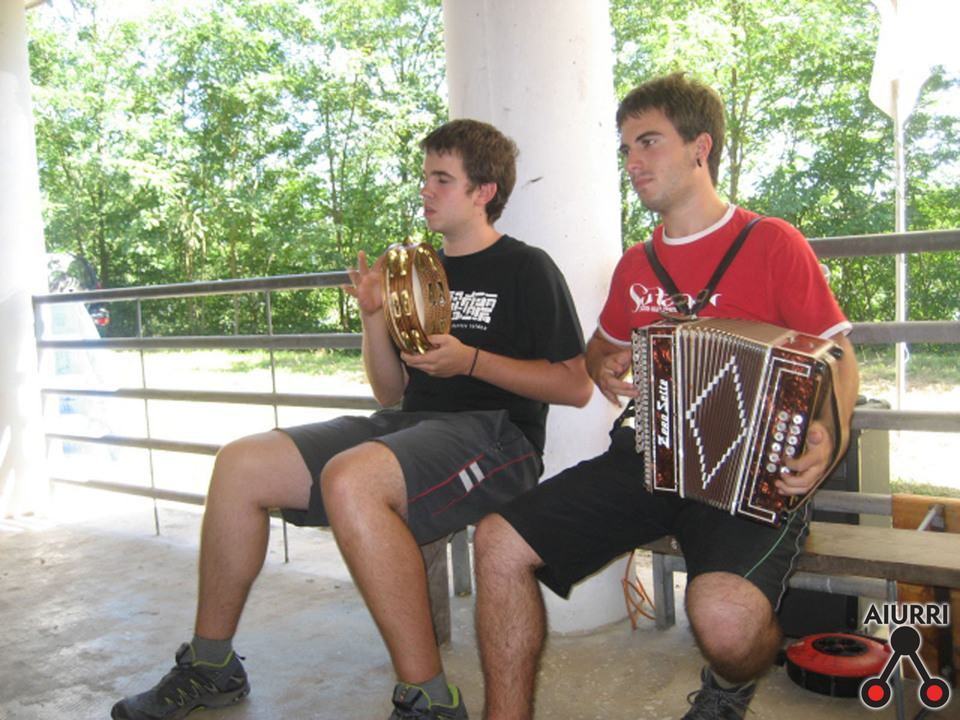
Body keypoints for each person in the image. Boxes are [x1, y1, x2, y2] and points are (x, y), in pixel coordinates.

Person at [111, 118, 593, 720]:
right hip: (411, 426)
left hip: (497, 436)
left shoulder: (526, 267)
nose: (425, 190)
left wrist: (471, 360)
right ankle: (211, 664)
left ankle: (428, 699)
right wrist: (372, 317)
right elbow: (391, 392)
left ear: (484, 191)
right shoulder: (416, 272)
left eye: (442, 179)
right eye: (425, 177)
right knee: (240, 463)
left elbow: (575, 386)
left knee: (351, 478)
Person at [473, 73, 861, 720]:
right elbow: (599, 350)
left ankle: (730, 684)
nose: (633, 161)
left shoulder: (771, 242)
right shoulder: (636, 264)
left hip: (751, 473)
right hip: (646, 458)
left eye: (649, 142)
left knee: (726, 624)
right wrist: (605, 366)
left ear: (700, 147)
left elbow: (839, 357)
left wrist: (832, 439)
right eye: (626, 148)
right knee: (498, 541)